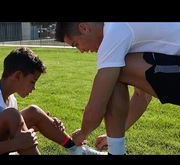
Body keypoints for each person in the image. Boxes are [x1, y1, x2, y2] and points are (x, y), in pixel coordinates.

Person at [55, 22, 180, 155]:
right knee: (116, 69)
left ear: (84, 28)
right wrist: (114, 137)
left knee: (114, 72)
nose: (80, 50)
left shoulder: (116, 29)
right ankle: (116, 150)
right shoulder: (124, 29)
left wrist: (83, 132)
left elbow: (97, 105)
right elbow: (141, 95)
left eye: (76, 44)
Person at [0, 47, 106, 155]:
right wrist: (15, 143)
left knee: (33, 112)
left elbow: (7, 131)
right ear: (17, 76)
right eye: (32, 82)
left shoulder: (9, 98)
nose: (33, 88)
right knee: (12, 115)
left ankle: (77, 150)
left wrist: (46, 123)